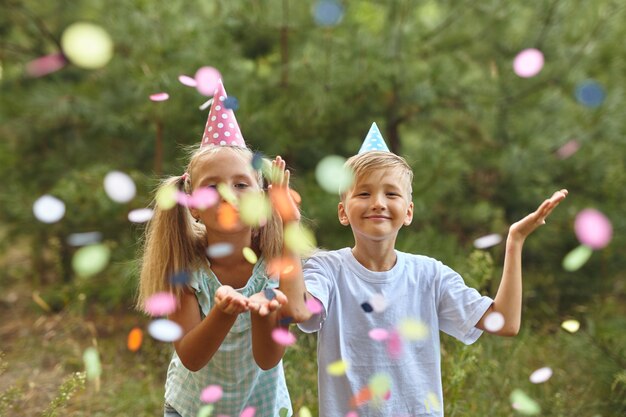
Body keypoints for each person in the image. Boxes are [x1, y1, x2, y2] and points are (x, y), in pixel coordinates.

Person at [290, 123, 568, 416]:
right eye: (363, 193)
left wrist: (515, 241)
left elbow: (506, 322)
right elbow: (299, 311)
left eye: (392, 194)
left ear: (408, 211)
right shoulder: (327, 269)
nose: (378, 203)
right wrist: (288, 230)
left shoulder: (429, 275)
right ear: (343, 211)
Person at [136, 80, 303, 417]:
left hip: (262, 408)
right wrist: (222, 312)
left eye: (241, 184)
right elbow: (192, 358)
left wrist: (264, 312)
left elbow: (270, 354)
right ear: (193, 206)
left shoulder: (274, 261)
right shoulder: (186, 269)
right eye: (212, 186)